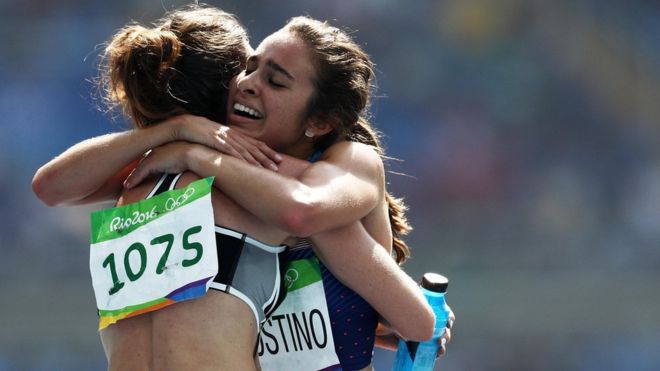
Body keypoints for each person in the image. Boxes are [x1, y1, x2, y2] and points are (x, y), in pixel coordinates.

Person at [32, 5, 453, 370]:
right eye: (249, 68)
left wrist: (189, 149)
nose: (250, 83)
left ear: (318, 121)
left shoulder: (151, 178)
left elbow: (410, 321)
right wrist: (179, 138)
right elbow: (49, 187)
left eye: (276, 80)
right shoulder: (209, 179)